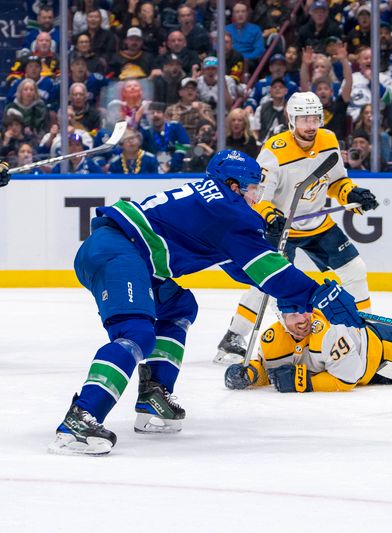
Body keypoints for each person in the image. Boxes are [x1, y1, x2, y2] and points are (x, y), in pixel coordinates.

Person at [48, 150, 363, 456]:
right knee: (137, 334)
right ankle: (80, 419)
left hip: (121, 251)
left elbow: (241, 267)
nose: (256, 198)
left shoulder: (216, 202)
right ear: (234, 185)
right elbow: (266, 272)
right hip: (119, 253)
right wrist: (317, 291)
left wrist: (265, 252)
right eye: (253, 189)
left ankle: (153, 397)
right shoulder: (230, 212)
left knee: (179, 307)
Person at [214, 92, 378, 364]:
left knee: (355, 271)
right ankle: (234, 336)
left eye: (315, 118)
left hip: (318, 224)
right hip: (282, 228)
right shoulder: (274, 151)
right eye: (304, 119)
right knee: (265, 282)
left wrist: (353, 194)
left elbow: (337, 182)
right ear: (292, 120)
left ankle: (362, 330)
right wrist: (270, 216)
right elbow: (259, 197)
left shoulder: (328, 140)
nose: (311, 125)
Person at [223, 308, 392, 392]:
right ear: (280, 318)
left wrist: (304, 384)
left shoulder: (324, 331)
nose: (302, 319)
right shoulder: (273, 338)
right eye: (293, 315)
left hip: (384, 356)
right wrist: (250, 375)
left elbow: (349, 377)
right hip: (366, 362)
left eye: (305, 311)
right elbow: (271, 370)